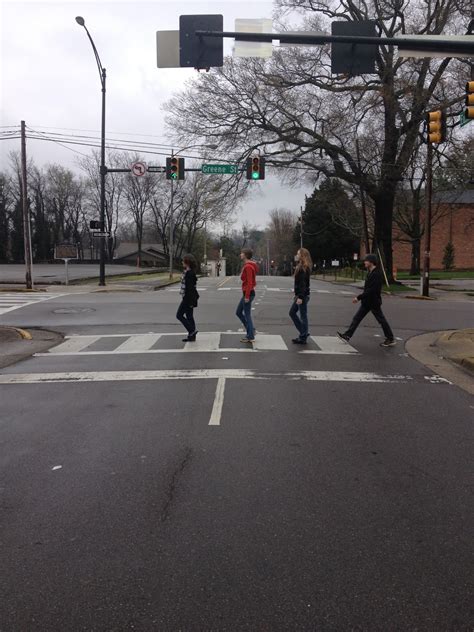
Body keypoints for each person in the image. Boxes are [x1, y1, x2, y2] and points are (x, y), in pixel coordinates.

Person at [337, 254, 396, 347]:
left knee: (381, 320)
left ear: (371, 262)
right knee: (357, 318)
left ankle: (390, 338)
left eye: (366, 261)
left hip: (373, 302)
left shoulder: (376, 274)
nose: (364, 262)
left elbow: (371, 290)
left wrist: (359, 297)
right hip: (367, 302)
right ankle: (347, 335)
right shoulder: (370, 272)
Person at [289, 247, 312, 345]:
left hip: (302, 296)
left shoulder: (303, 268)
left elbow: (303, 284)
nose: (297, 255)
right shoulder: (301, 266)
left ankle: (303, 336)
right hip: (301, 295)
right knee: (293, 313)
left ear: (302, 256)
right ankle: (304, 333)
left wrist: (300, 297)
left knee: (302, 316)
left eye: (298, 254)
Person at [236, 248, 258, 344]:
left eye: (242, 253)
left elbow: (249, 283)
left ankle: (250, 335)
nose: (240, 254)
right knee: (238, 312)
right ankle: (251, 330)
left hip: (248, 293)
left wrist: (247, 296)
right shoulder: (248, 265)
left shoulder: (248, 266)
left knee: (247, 314)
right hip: (247, 292)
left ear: (245, 255)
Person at [176, 254, 199, 342]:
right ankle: (191, 336)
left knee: (179, 315)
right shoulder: (188, 272)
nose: (182, 262)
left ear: (187, 263)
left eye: (183, 261)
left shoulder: (190, 274)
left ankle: (192, 331)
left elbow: (190, 289)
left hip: (188, 298)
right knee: (189, 316)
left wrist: (190, 302)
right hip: (188, 298)